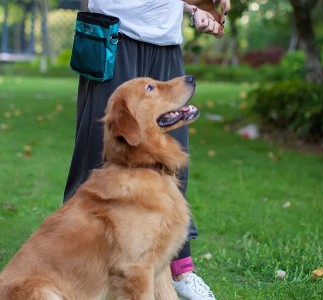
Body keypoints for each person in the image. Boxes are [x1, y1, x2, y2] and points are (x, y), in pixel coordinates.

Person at [64, 1, 230, 299]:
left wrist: (194, 8)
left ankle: (179, 269)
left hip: (165, 42)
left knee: (171, 158)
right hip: (116, 34)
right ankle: (74, 260)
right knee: (98, 155)